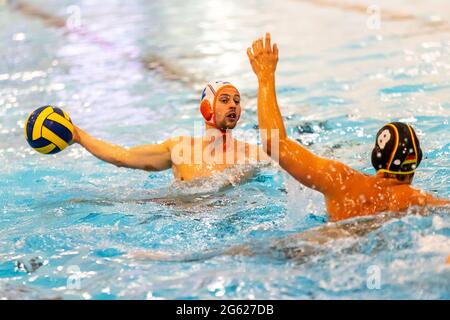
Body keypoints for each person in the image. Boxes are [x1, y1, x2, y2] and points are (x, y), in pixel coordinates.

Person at [246, 33, 449, 221]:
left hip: (324, 245)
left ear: (376, 157)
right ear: (416, 161)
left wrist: (265, 76)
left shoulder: (341, 181)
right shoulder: (418, 201)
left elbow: (275, 144)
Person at [72, 81, 268, 182]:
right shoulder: (180, 149)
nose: (233, 105)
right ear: (206, 108)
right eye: (224, 100)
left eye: (237, 100)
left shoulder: (253, 155)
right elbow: (122, 157)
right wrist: (79, 136)